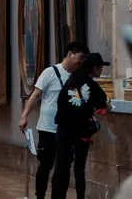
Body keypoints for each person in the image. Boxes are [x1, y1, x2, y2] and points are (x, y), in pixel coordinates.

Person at [19, 41, 89, 199]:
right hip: (47, 128)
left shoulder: (79, 76)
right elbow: (35, 95)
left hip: (68, 130)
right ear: (70, 54)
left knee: (63, 167)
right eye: (80, 57)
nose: (81, 62)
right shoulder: (50, 72)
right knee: (45, 165)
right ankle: (40, 196)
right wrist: (24, 116)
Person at [51, 53, 110, 199]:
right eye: (101, 68)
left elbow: (60, 104)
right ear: (95, 68)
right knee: (79, 169)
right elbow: (102, 108)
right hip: (82, 133)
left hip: (64, 131)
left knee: (61, 167)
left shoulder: (70, 82)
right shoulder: (93, 86)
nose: (101, 71)